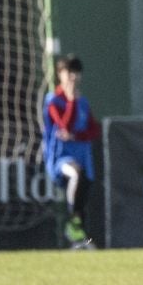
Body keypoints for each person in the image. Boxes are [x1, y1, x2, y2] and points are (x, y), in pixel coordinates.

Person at [42, 55, 101, 248]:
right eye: (69, 73)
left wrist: (76, 136)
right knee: (76, 174)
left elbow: (93, 130)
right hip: (61, 158)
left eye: (76, 73)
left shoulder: (82, 101)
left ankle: (79, 239)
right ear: (60, 75)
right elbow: (63, 126)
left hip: (83, 156)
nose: (73, 78)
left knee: (83, 193)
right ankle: (72, 225)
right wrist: (70, 102)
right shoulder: (54, 101)